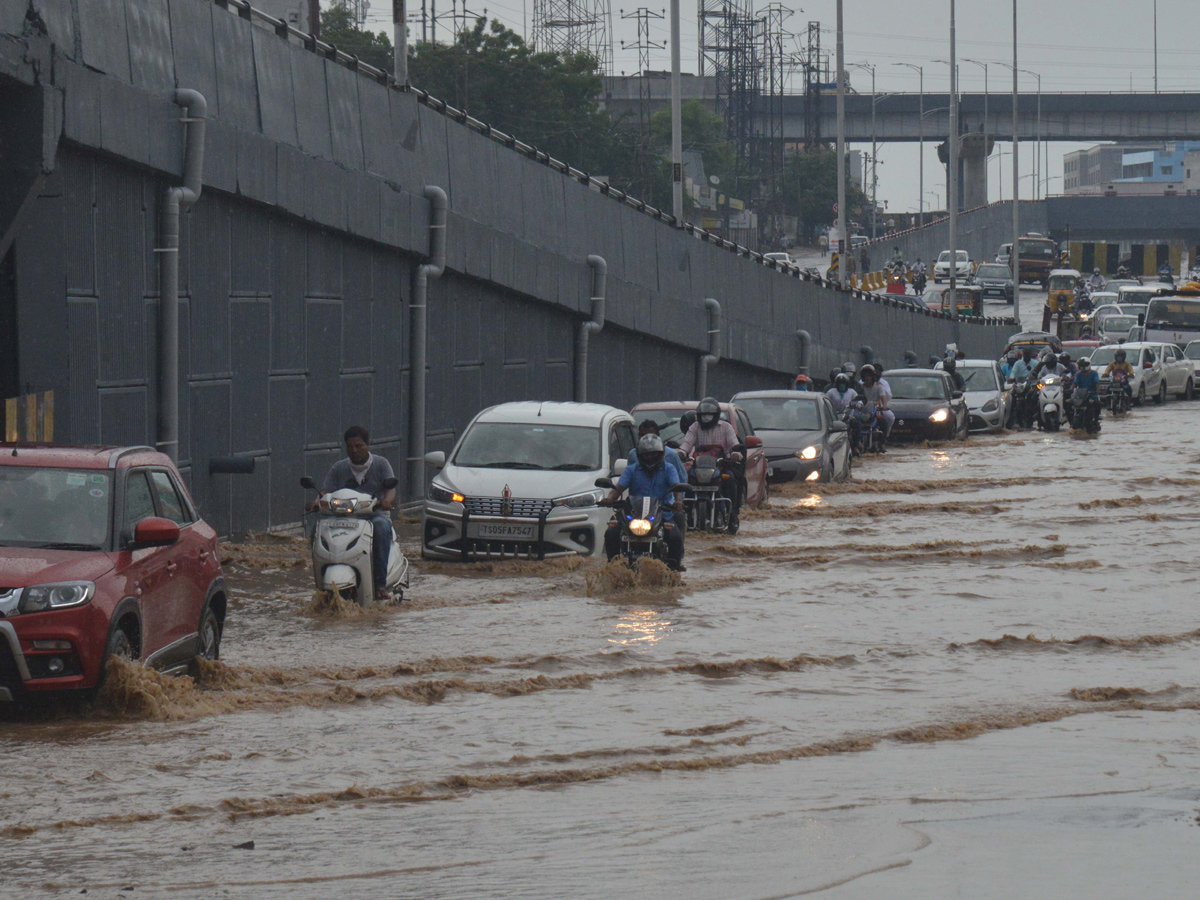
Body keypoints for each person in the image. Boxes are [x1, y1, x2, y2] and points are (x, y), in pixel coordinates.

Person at [312, 426, 397, 601]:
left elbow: (390, 489)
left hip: (374, 516)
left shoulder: (381, 464)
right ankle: (320, 583)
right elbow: (325, 491)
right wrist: (315, 502)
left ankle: (380, 585)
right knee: (316, 529)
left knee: (381, 527)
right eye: (350, 447)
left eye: (359, 446)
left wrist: (387, 501)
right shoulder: (338, 468)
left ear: (368, 445)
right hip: (343, 516)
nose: (354, 450)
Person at [601, 434, 685, 571]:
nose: (650, 458)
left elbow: (677, 487)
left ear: (661, 454)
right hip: (633, 515)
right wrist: (610, 499)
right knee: (612, 531)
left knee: (675, 536)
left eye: (654, 454)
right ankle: (612, 567)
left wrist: (678, 501)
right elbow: (618, 489)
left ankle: (674, 573)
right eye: (646, 455)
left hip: (662, 514)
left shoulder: (669, 469)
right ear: (640, 455)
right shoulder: (631, 470)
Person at [679, 397, 744, 532]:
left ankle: (732, 515)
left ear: (716, 415)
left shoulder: (726, 427)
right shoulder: (695, 427)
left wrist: (735, 454)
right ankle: (685, 513)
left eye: (709, 415)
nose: (706, 418)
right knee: (684, 481)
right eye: (703, 415)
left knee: (732, 480)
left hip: (721, 466)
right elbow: (686, 444)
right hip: (699, 467)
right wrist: (680, 453)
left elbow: (734, 445)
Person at [629, 420, 687, 488]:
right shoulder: (633, 454)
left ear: (658, 436)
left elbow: (682, 479)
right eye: (643, 435)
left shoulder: (671, 455)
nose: (648, 440)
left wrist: (678, 497)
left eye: (651, 436)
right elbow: (630, 480)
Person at [860, 366, 894, 447]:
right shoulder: (860, 387)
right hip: (862, 411)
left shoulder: (879, 386)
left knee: (883, 422)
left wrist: (884, 406)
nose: (868, 378)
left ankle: (882, 442)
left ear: (873, 377)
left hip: (875, 411)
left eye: (869, 375)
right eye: (866, 376)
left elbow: (883, 397)